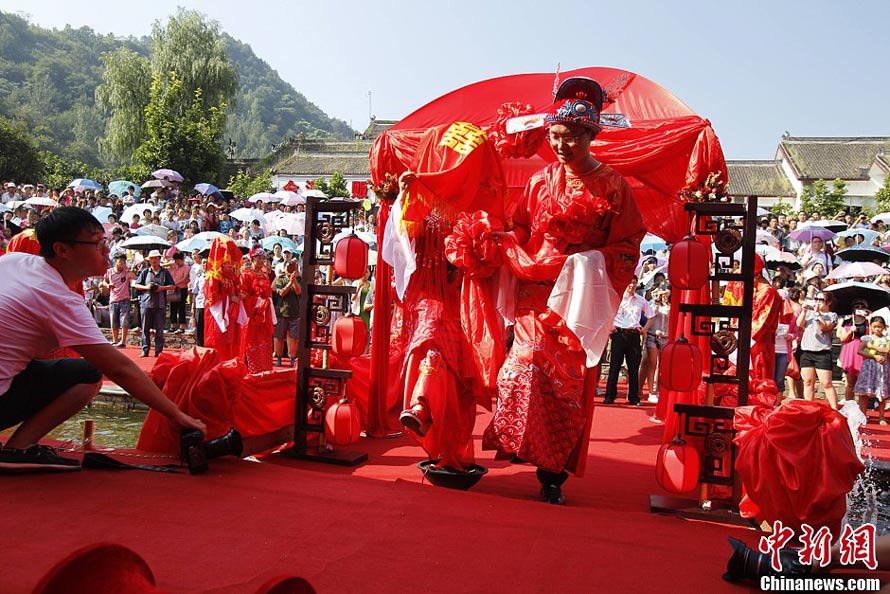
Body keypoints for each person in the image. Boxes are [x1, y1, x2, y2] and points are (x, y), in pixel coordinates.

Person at [483, 76, 646, 504]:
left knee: (565, 385)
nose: (560, 145)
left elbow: (629, 245)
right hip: (533, 292)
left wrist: (589, 261)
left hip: (579, 301)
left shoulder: (613, 186)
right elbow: (519, 225)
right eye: (555, 136)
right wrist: (505, 241)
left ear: (591, 135)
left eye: (571, 137)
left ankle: (552, 473)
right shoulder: (540, 182)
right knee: (524, 364)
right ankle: (519, 441)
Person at [0, 207, 204, 471]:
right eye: (96, 243)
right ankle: (19, 449)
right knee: (90, 372)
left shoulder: (12, 261)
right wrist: (176, 415)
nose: (107, 251)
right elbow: (119, 368)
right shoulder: (59, 299)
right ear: (62, 250)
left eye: (104, 241)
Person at [604, 277, 654, 406]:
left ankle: (633, 397)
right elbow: (607, 313)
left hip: (634, 334)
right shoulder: (617, 298)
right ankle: (610, 395)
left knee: (633, 367)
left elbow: (651, 316)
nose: (631, 285)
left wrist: (644, 329)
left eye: (633, 282)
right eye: (629, 282)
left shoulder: (640, 300)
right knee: (614, 366)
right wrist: (610, 327)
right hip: (618, 334)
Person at [796, 290, 839, 409]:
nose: (818, 302)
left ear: (829, 302)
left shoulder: (832, 315)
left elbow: (824, 328)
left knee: (826, 383)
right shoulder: (809, 313)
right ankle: (808, 407)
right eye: (816, 299)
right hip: (807, 350)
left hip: (822, 352)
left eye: (821, 300)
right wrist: (804, 311)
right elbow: (799, 324)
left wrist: (818, 314)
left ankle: (835, 409)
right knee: (808, 381)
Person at [132, 250, 175, 358]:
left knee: (159, 329)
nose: (154, 261)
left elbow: (172, 286)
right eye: (152, 259)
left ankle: (158, 351)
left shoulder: (165, 272)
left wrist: (161, 288)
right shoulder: (145, 272)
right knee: (145, 329)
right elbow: (136, 284)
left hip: (160, 304)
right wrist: (146, 287)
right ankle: (145, 349)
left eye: (156, 258)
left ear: (159, 260)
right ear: (149, 260)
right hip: (146, 303)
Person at [240, 246, 275, 373]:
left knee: (265, 340)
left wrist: (265, 303)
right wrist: (258, 303)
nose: (261, 261)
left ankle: (265, 368)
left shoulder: (265, 274)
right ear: (252, 259)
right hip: (253, 313)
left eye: (263, 258)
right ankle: (254, 369)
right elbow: (244, 294)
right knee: (252, 340)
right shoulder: (246, 274)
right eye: (258, 258)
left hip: (265, 311)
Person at [854, 315, 890, 423]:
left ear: (883, 327)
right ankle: (863, 415)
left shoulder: (887, 338)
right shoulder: (867, 338)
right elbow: (860, 351)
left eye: (880, 327)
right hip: (869, 366)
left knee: (882, 392)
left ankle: (881, 416)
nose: (877, 329)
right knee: (865, 392)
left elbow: (886, 350)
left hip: (882, 367)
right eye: (875, 327)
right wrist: (874, 356)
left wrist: (873, 347)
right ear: (871, 327)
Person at [837, 298, 871, 407]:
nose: (860, 309)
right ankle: (849, 408)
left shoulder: (868, 322)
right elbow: (842, 339)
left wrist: (870, 320)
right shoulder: (847, 322)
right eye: (857, 307)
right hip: (850, 352)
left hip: (863, 351)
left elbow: (873, 337)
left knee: (863, 385)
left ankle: (862, 410)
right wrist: (850, 331)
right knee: (850, 383)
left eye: (862, 307)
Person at [640, 286, 670, 403]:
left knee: (662, 366)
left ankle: (659, 390)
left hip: (665, 337)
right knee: (652, 364)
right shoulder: (653, 305)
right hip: (653, 336)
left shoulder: (671, 305)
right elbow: (651, 314)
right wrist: (657, 300)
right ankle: (651, 392)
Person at [102, 252, 136, 348]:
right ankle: (115, 339)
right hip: (113, 299)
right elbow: (104, 281)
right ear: (115, 261)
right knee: (113, 321)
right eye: (120, 261)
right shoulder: (109, 272)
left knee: (124, 321)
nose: (122, 263)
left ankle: (123, 341)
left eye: (123, 261)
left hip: (124, 299)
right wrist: (107, 285)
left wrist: (130, 270)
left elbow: (135, 277)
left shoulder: (126, 272)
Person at [272, 260, 301, 367]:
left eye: (292, 267)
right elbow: (281, 292)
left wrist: (294, 281)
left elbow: (298, 291)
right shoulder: (280, 279)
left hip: (295, 313)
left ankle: (293, 358)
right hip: (281, 313)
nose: (290, 270)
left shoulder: (299, 279)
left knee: (294, 338)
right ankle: (279, 358)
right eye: (288, 267)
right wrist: (289, 282)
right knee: (279, 337)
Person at [167, 252, 190, 334]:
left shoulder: (186, 267)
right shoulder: (173, 267)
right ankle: (172, 325)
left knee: (181, 307)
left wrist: (175, 284)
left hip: (182, 288)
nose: (176, 262)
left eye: (178, 260)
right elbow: (164, 266)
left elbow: (184, 278)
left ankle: (182, 326)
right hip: (173, 288)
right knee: (172, 307)